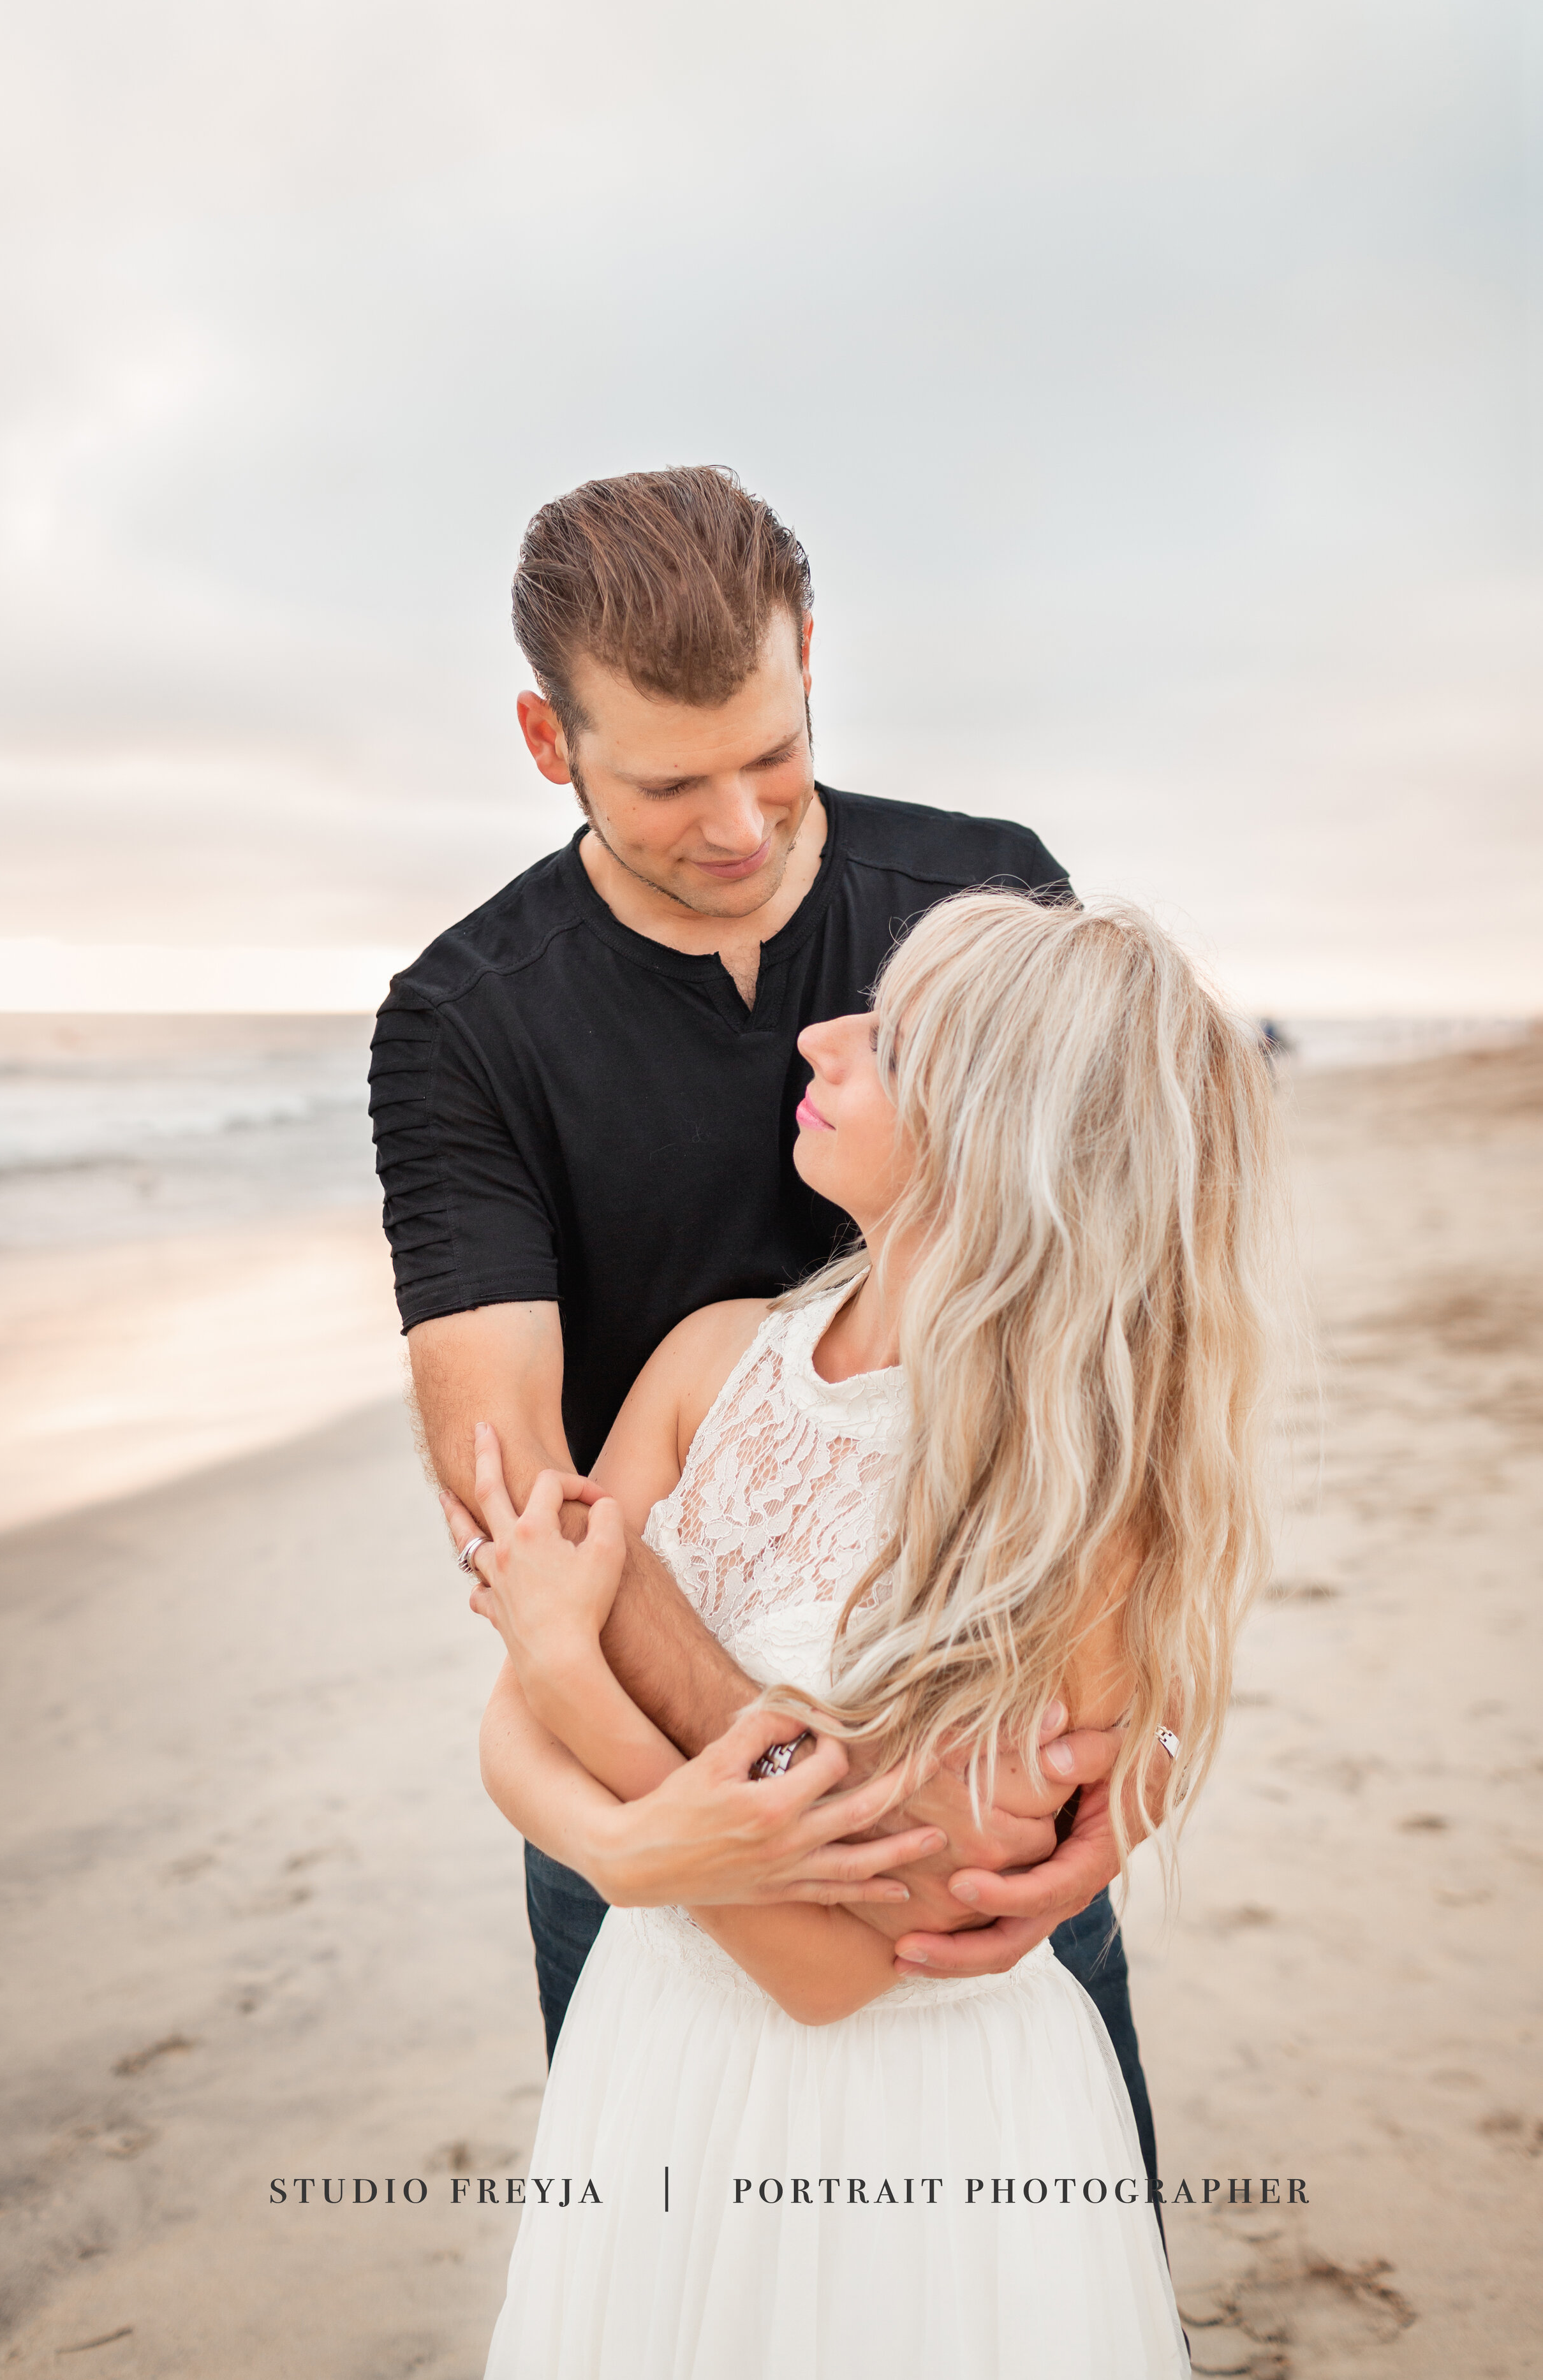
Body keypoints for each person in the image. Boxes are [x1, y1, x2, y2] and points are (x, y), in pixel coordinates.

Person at [367, 464, 1153, 2157]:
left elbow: (1115, 1332)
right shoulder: (462, 1020)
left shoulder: (985, 903)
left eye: (773, 752)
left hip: (990, 1755)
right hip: (629, 1756)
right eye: (666, 779)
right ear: (542, 736)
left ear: (808, 654)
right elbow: (515, 1493)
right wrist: (661, 1824)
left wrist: (1125, 1776)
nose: (736, 822)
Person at [448, 890, 1283, 2376]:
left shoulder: (1066, 1506)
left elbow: (843, 1965)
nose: (819, 1037)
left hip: (907, 2127)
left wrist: (593, 1654)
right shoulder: (712, 1361)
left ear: (998, 1137)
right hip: (651, 2069)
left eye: (890, 1040)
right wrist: (626, 1844)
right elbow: (507, 1725)